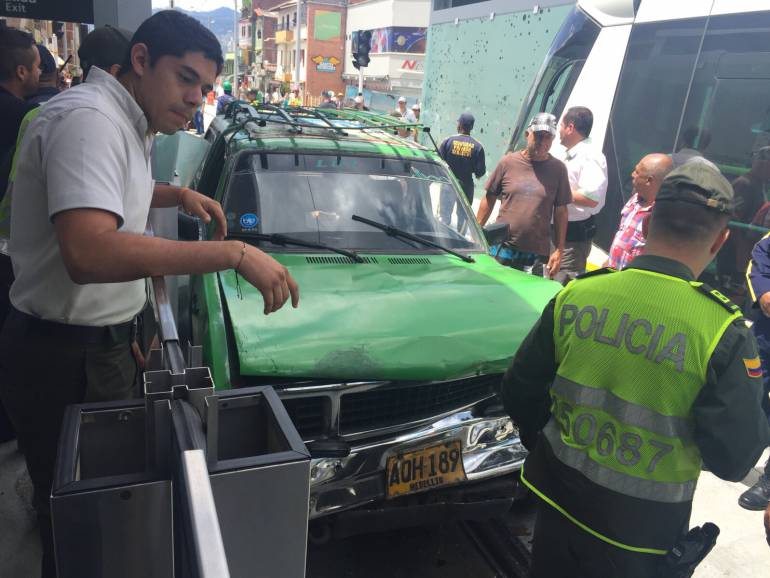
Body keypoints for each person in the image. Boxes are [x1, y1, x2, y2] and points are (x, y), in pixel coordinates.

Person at [0, 11, 299, 578]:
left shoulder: (125, 120)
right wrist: (231, 254)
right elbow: (88, 251)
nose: (195, 98)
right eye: (185, 78)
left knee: (101, 516)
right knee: (78, 526)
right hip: (63, 356)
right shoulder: (90, 121)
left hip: (94, 345)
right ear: (140, 61)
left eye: (205, 87)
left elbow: (111, 191)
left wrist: (174, 195)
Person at [503, 162, 770, 578]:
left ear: (645, 227)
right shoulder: (722, 333)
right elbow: (734, 461)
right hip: (643, 535)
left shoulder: (577, 296)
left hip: (557, 504)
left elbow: (519, 391)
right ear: (720, 241)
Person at [476, 112, 571, 277]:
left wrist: (559, 250)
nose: (542, 141)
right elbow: (489, 198)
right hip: (502, 249)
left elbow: (561, 212)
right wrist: (476, 233)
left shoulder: (558, 169)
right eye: (538, 135)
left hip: (536, 255)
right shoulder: (507, 162)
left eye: (548, 136)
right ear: (528, 135)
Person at [554, 106, 608, 281]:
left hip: (572, 240)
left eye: (560, 125)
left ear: (570, 127)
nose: (558, 131)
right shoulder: (573, 155)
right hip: (559, 234)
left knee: (562, 285)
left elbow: (591, 198)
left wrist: (555, 189)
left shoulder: (589, 156)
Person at [740, 233, 770, 511]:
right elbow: (760, 256)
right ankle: (736, 452)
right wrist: (763, 293)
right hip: (765, 334)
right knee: (748, 391)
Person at [606, 153, 672, 270]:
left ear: (649, 180)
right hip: (612, 275)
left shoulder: (663, 216)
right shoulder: (634, 199)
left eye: (637, 172)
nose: (632, 174)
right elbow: (623, 235)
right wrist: (609, 262)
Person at [438, 112, 486, 232]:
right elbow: (480, 173)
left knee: (444, 218)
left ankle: (442, 242)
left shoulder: (448, 141)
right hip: (466, 186)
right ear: (471, 127)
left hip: (448, 183)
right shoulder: (478, 146)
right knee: (463, 218)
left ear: (459, 125)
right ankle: (461, 245)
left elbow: (438, 162)